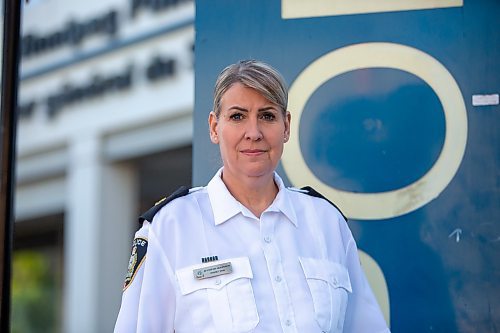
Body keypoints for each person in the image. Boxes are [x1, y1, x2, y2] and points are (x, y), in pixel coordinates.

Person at [114, 60, 390, 333]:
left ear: (286, 126)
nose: (254, 133)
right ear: (213, 127)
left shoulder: (326, 222)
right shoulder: (170, 227)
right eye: (237, 116)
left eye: (267, 116)